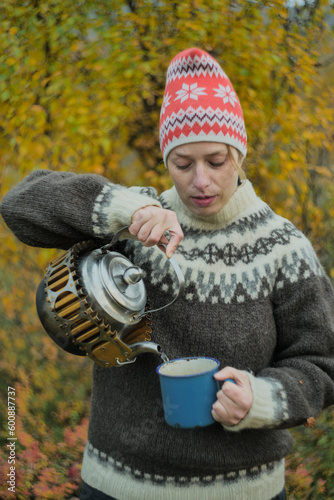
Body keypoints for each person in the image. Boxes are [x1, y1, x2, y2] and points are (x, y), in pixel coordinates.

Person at [1, 47, 334, 500]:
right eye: (183, 163)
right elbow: (19, 205)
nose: (200, 180)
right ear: (166, 160)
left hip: (244, 490)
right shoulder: (138, 221)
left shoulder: (283, 248)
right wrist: (123, 207)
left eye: (216, 161)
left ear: (239, 154)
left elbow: (320, 365)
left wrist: (262, 398)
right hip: (117, 483)